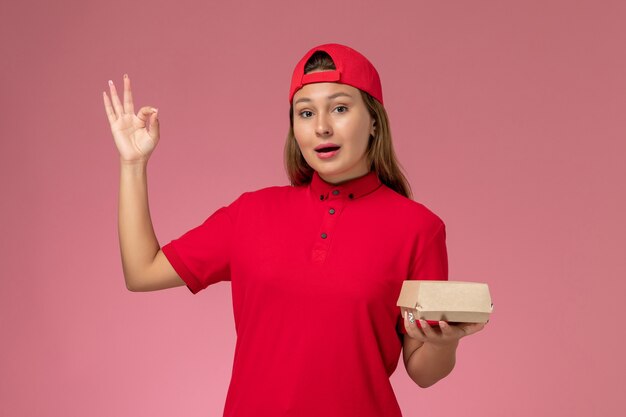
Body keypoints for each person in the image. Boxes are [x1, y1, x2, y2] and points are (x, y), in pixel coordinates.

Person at [103, 43, 486, 417]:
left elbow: (422, 371)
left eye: (339, 108)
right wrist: (132, 164)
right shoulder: (251, 213)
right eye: (305, 113)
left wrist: (445, 343)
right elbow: (142, 271)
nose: (321, 127)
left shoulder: (419, 228)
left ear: (373, 120)